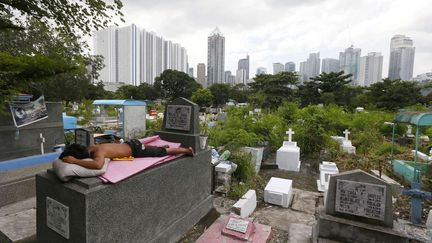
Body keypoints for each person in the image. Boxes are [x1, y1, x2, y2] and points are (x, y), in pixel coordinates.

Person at [59, 139, 194, 170]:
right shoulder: (92, 146)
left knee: (163, 152)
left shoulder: (97, 152)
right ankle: (160, 147)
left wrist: (74, 161)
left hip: (135, 149)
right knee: (155, 149)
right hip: (131, 145)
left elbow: (98, 165)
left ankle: (186, 151)